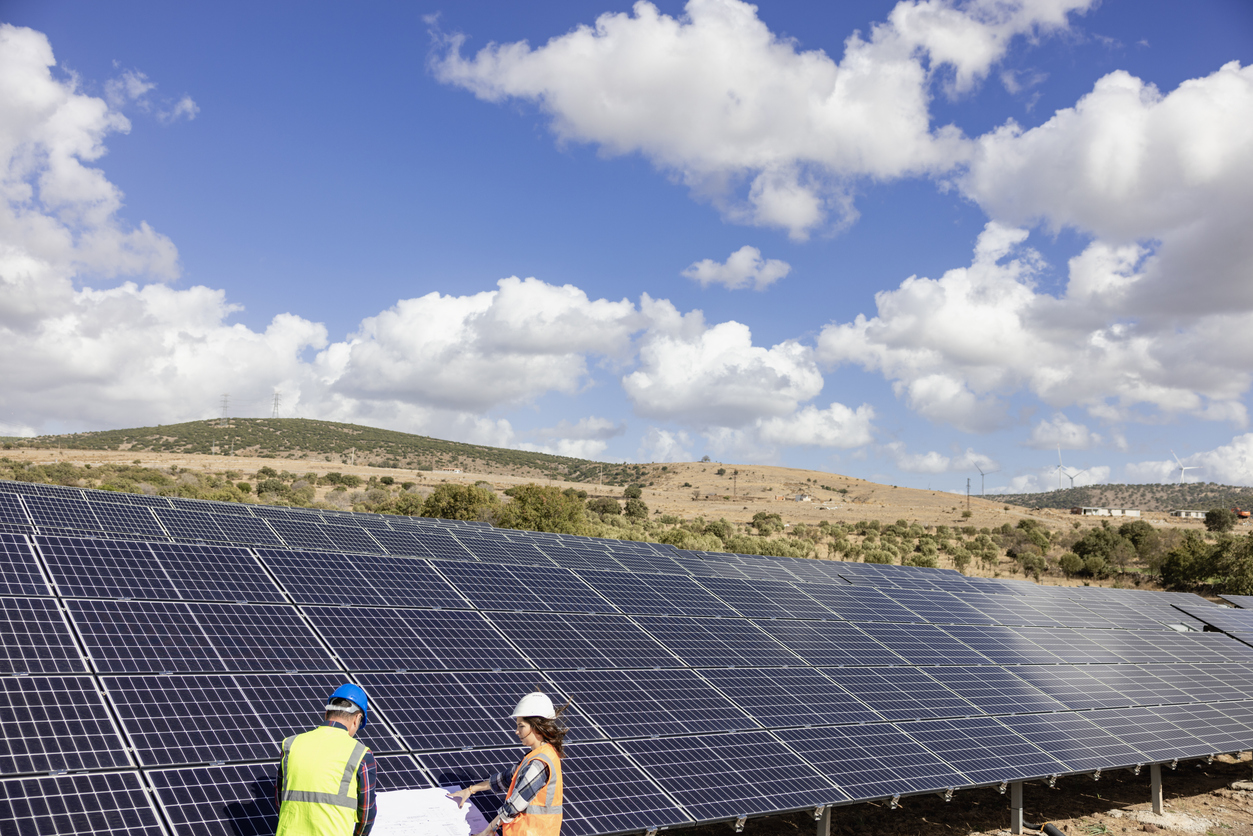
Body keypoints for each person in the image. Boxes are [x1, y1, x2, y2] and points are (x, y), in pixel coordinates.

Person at [448, 692, 566, 836]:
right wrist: (471, 789)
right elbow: (506, 778)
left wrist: (487, 831)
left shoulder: (538, 764)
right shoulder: (541, 754)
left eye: (521, 726)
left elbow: (513, 806)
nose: (517, 732)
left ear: (536, 727)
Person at [275, 683, 377, 836]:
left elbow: (280, 799)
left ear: (326, 714)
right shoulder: (361, 754)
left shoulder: (291, 744)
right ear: (357, 719)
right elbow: (366, 814)